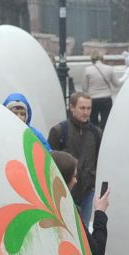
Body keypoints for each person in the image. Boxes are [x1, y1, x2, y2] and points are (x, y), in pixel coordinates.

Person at [46, 92, 101, 224]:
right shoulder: (59, 131)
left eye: (89, 108)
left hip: (87, 192)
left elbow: (98, 160)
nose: (86, 112)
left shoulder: (96, 133)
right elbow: (49, 161)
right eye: (82, 108)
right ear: (72, 107)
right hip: (64, 192)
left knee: (84, 230)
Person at [82, 54, 120, 130]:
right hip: (106, 98)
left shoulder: (87, 70)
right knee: (106, 121)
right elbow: (116, 84)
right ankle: (104, 136)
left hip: (93, 99)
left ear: (92, 60)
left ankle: (95, 136)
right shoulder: (109, 69)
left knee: (93, 120)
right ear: (103, 59)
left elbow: (84, 88)